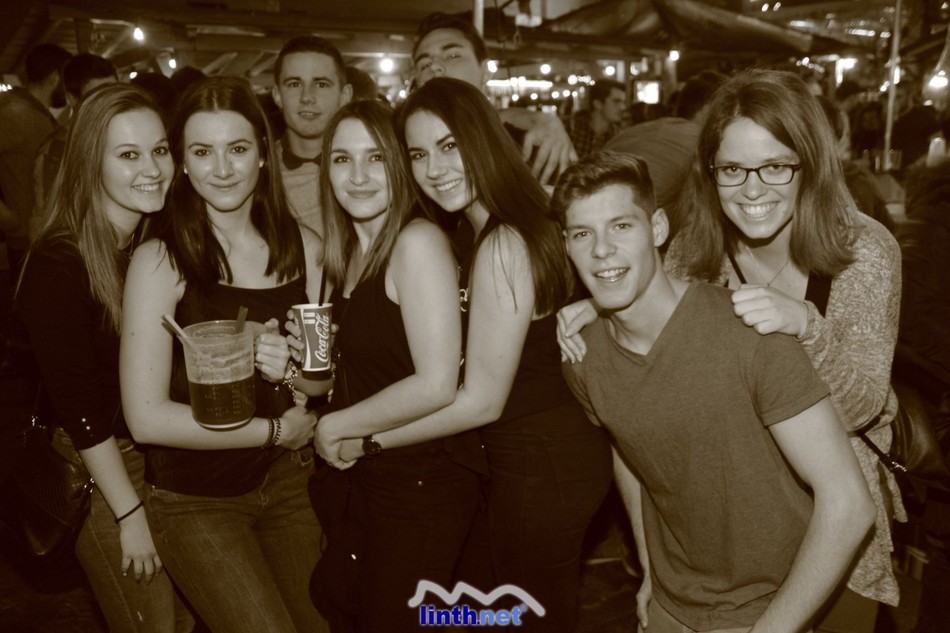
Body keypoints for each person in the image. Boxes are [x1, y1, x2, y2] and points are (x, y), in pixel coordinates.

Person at [559, 69, 905, 633]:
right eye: (733, 169)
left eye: (775, 166)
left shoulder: (862, 252)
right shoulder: (697, 249)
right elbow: (659, 323)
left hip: (834, 523)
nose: (752, 189)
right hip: (724, 532)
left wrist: (806, 325)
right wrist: (601, 306)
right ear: (711, 173)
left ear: (810, 165)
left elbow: (864, 407)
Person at [329, 77, 612, 632]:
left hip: (542, 462)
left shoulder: (505, 240)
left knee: (531, 617)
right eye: (418, 154)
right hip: (523, 458)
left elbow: (480, 400)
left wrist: (367, 440)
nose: (434, 168)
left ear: (481, 139)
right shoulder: (478, 227)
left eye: (449, 146)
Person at [120, 76, 328, 633]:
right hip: (195, 497)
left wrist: (290, 370)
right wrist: (273, 432)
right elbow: (145, 418)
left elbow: (318, 383)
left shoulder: (306, 249)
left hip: (289, 485)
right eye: (202, 151)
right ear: (183, 164)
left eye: (236, 148)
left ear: (262, 152)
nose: (222, 168)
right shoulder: (160, 260)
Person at [16, 83, 191, 633]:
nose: (152, 169)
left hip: (159, 454)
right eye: (129, 154)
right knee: (155, 623)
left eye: (159, 150)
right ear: (91, 163)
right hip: (99, 464)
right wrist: (128, 514)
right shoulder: (59, 264)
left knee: (187, 615)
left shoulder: (151, 241)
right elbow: (79, 409)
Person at [300, 99, 481, 632]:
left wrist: (334, 426)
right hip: (368, 479)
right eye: (342, 159)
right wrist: (289, 364)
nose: (357, 176)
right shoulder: (343, 255)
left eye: (375, 158)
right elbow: (338, 377)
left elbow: (437, 383)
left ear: (400, 164)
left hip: (422, 483)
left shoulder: (416, 242)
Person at [411, 12, 575, 184]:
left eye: (452, 55)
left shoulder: (526, 146)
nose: (434, 66)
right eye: (425, 64)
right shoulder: (405, 146)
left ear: (485, 71)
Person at [271, 36, 353, 236]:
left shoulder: (372, 168)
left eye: (321, 84)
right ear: (277, 95)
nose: (307, 97)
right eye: (294, 84)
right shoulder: (256, 171)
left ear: (344, 96)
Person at [0, 43, 72, 267]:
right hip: (26, 242)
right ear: (55, 79)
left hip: (42, 237)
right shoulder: (15, 114)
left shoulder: (34, 113)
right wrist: (9, 220)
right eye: (68, 79)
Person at [32, 53, 118, 234]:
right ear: (72, 99)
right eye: (97, 97)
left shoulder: (119, 135)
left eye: (114, 93)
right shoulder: (56, 152)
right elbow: (45, 223)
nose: (109, 103)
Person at [569, 79, 625, 157]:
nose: (622, 107)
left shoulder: (618, 136)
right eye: (616, 101)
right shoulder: (572, 127)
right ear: (598, 104)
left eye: (623, 102)